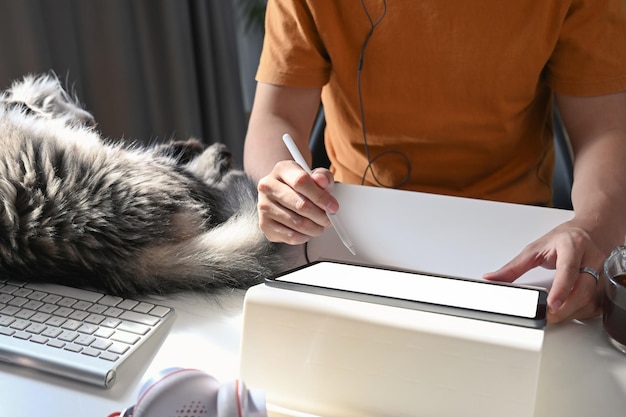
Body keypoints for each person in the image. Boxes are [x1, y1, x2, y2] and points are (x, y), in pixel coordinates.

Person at [243, 0, 626, 324]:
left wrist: (593, 228)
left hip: (515, 242)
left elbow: (604, 127)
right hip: (351, 231)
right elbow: (277, 116)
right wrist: (282, 185)